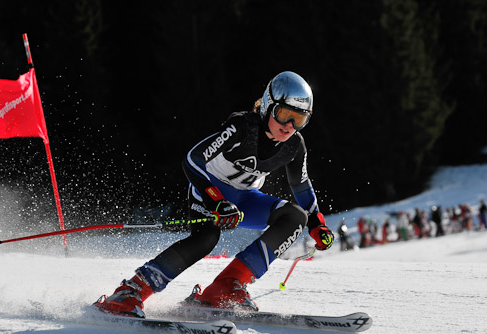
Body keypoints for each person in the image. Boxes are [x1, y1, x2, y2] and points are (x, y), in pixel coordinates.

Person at [95, 71, 334, 318]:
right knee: (206, 239)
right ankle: (131, 290)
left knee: (295, 217)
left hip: (245, 200)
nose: (289, 126)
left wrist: (317, 224)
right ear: (268, 107)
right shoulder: (241, 127)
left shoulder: (295, 145)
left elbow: (301, 186)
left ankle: (226, 287)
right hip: (210, 191)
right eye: (284, 115)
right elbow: (192, 160)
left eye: (299, 119)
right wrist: (216, 200)